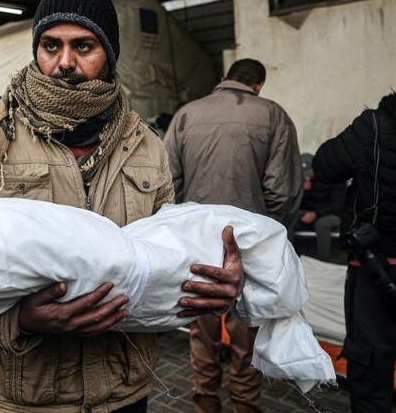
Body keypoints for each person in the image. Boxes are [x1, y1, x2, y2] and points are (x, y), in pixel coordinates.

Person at [0, 0, 245, 412]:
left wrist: (214, 286)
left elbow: (165, 255)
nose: (64, 62)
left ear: (109, 54)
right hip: (24, 395)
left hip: (122, 392)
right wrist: (18, 318)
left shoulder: (146, 145)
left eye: (83, 46)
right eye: (50, 45)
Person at [164, 58, 302, 413]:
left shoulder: (185, 115)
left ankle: (204, 404)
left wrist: (180, 230)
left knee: (201, 335)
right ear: (258, 86)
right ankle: (245, 406)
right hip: (250, 249)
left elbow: (167, 185)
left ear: (223, 79)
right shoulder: (272, 115)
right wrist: (272, 236)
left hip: (197, 245)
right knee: (246, 340)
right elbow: (282, 191)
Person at [313, 92, 396, 413]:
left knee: (370, 364)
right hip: (375, 264)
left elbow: (324, 165)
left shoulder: (374, 126)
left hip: (375, 267)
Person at [290, 153, 346, 261]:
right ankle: (291, 259)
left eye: (309, 174)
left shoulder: (335, 177)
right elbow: (294, 205)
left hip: (330, 215)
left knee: (322, 224)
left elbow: (337, 205)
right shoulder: (301, 181)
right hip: (308, 214)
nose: (307, 177)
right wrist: (302, 191)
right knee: (290, 219)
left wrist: (316, 214)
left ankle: (322, 261)